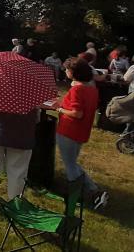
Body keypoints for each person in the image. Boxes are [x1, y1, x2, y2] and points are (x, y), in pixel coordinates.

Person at [52, 58, 108, 209]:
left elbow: (77, 113)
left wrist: (59, 108)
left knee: (70, 166)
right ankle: (93, 190)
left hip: (69, 131)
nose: (65, 71)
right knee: (73, 163)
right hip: (81, 131)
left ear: (73, 72)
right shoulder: (92, 89)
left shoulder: (77, 89)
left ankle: (81, 194)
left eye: (66, 69)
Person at [0, 109, 39, 211]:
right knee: (18, 172)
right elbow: (37, 119)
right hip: (22, 134)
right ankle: (15, 207)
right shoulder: (32, 94)